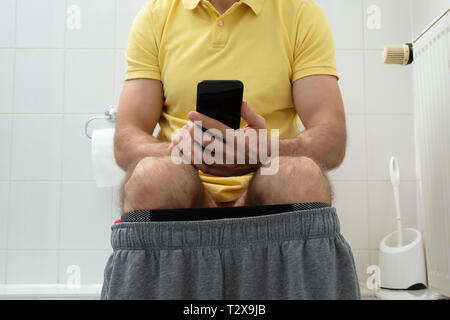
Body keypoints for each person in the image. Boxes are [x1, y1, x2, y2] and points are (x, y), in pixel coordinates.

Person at [101, 0, 360, 300]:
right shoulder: (155, 17)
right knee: (150, 178)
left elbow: (331, 138)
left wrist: (265, 150)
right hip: (185, 188)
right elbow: (126, 139)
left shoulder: (300, 12)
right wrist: (180, 150)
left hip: (267, 187)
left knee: (300, 177)